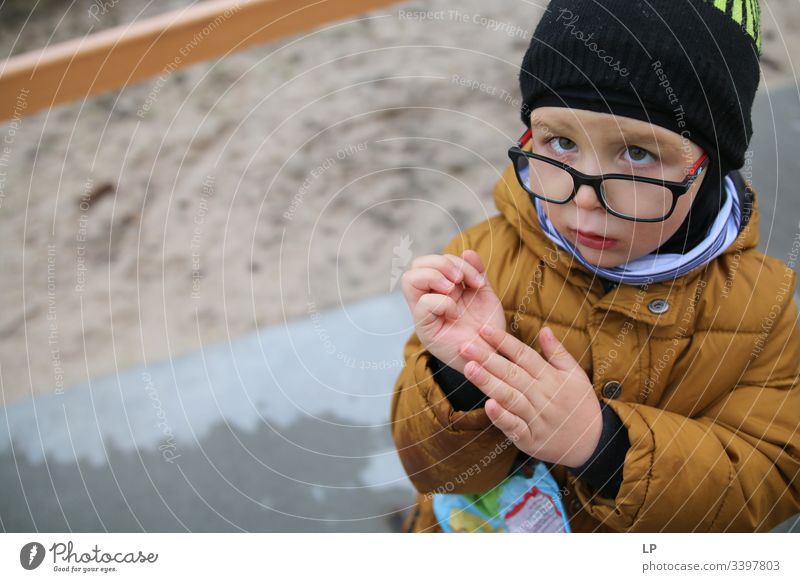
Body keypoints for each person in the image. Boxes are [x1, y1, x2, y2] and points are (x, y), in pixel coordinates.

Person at [391, 0, 800, 532]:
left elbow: (770, 480)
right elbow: (432, 470)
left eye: (638, 155)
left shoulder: (760, 312)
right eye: (560, 143)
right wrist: (460, 377)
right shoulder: (483, 259)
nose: (584, 200)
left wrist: (601, 445)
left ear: (711, 165)